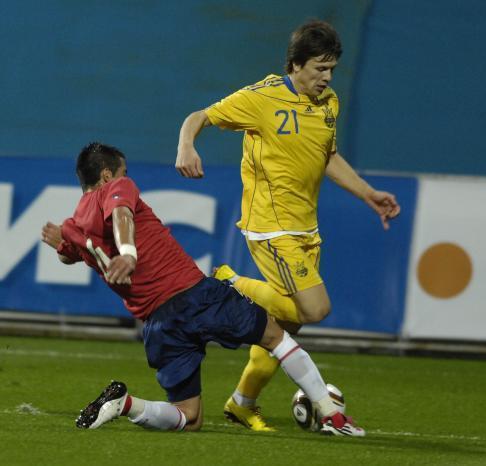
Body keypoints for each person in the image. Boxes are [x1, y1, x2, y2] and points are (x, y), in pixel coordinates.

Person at [41, 142, 365, 436]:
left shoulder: (75, 226)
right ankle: (332, 416)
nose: (127, 178)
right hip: (194, 295)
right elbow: (122, 214)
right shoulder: (117, 187)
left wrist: (61, 242)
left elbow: (69, 254)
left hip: (159, 325)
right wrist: (128, 253)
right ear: (107, 175)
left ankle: (126, 405)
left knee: (189, 417)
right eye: (124, 172)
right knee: (276, 337)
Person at [175, 20, 401, 431]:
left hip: (305, 229)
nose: (327, 77)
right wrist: (186, 146)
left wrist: (368, 194)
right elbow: (199, 116)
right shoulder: (261, 98)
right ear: (296, 65)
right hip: (271, 227)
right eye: (319, 68)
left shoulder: (329, 102)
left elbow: (327, 156)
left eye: (331, 69)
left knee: (281, 326)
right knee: (316, 308)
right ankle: (230, 283)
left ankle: (242, 402)